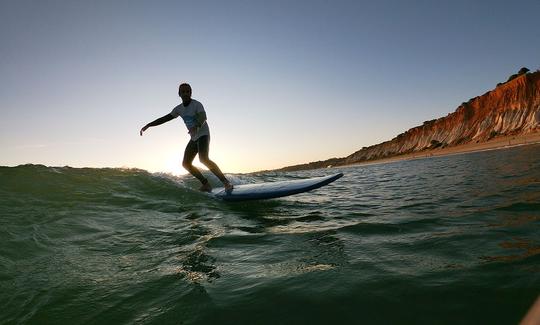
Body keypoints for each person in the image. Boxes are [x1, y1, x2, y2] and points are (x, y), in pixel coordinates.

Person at [140, 83, 233, 193]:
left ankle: (226, 182)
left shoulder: (197, 104)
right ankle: (206, 184)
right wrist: (149, 125)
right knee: (186, 163)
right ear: (179, 94)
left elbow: (203, 117)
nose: (185, 93)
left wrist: (196, 126)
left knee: (203, 159)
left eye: (187, 91)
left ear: (191, 93)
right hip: (194, 138)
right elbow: (165, 118)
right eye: (183, 92)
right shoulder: (179, 109)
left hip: (203, 134)